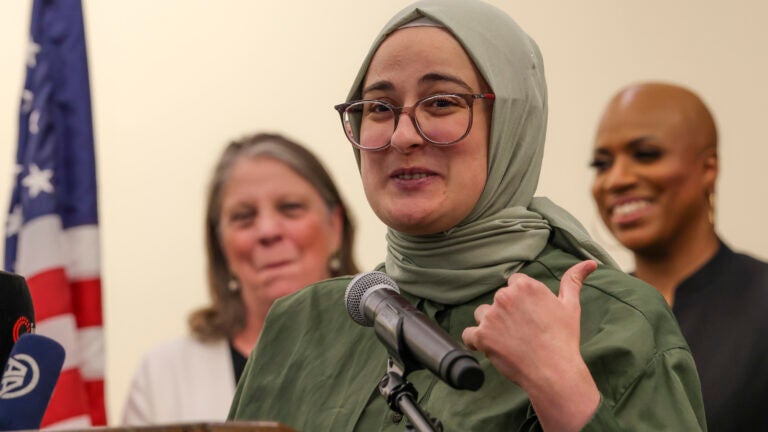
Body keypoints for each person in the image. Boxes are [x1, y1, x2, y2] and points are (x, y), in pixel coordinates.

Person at [229, 1, 706, 430]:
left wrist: (564, 391)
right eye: (379, 107)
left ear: (512, 127)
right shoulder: (301, 326)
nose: (402, 136)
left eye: (441, 102)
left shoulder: (609, 322)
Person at [121, 132, 359, 425]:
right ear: (221, 246)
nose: (268, 231)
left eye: (290, 208)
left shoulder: (391, 354)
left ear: (334, 227)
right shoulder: (163, 377)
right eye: (244, 216)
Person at [591, 82, 768, 431]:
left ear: (708, 168)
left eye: (645, 154)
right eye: (601, 164)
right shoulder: (589, 314)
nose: (616, 179)